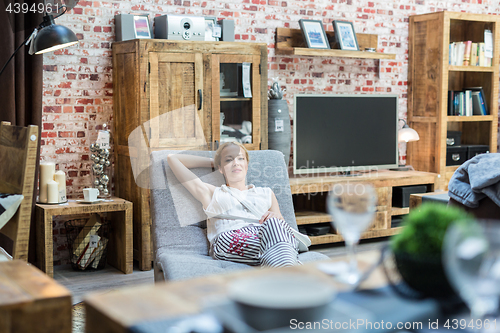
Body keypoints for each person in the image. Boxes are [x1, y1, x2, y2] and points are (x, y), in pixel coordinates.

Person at [167, 142, 300, 267]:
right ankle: (290, 269)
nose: (236, 163)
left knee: (274, 225)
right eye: (229, 160)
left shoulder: (266, 193)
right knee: (277, 246)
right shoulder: (213, 193)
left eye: (240, 159)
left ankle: (283, 269)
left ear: (247, 165)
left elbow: (282, 226)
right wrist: (215, 162)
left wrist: (274, 216)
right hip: (229, 238)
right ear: (220, 168)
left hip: (266, 235)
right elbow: (173, 159)